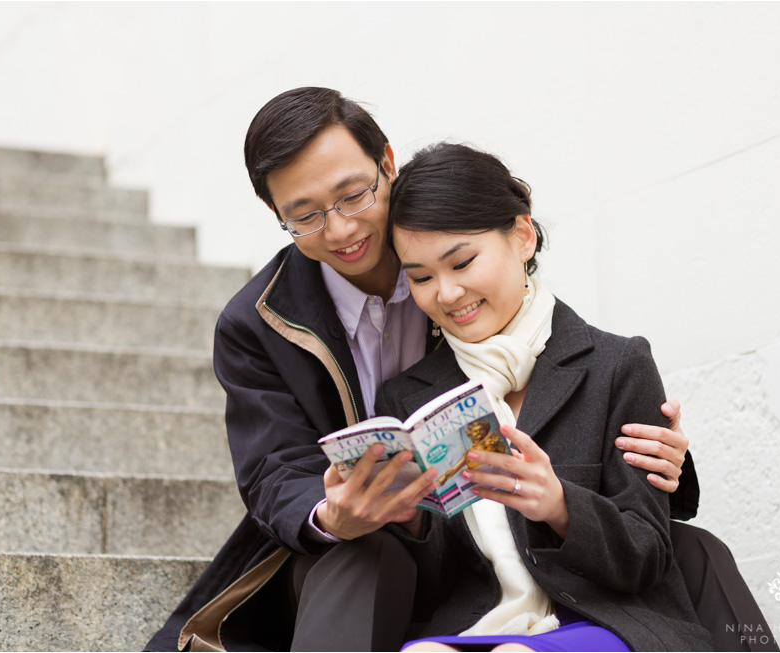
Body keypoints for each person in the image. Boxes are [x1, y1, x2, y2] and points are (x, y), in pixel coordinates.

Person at [143, 88, 698, 653]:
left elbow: (570, 384)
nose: (338, 230)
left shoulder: (458, 266)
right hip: (361, 554)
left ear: (387, 165)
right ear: (276, 215)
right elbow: (274, 473)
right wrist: (336, 514)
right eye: (304, 216)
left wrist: (661, 460)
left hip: (576, 597)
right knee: (365, 553)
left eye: (353, 196)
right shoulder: (256, 324)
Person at [376, 142, 712, 651]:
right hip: (476, 624)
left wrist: (559, 505)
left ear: (523, 237)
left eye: (462, 262)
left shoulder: (617, 365)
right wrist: (408, 517)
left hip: (608, 621)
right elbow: (432, 582)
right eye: (420, 277)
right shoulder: (411, 398)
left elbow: (647, 553)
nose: (445, 294)